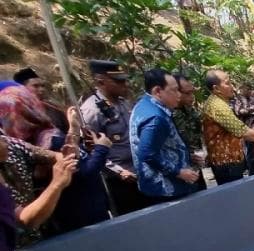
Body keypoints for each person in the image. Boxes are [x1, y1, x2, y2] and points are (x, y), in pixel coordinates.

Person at [80, 59, 148, 215]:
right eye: (119, 81)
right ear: (100, 81)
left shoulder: (124, 103)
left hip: (141, 172)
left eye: (124, 80)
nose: (125, 84)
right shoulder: (92, 111)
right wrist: (119, 171)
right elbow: (92, 150)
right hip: (120, 181)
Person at [130, 69, 199, 203]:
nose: (179, 95)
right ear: (157, 91)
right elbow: (146, 153)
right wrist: (179, 172)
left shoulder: (145, 104)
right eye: (174, 90)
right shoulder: (155, 118)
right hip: (166, 188)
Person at [0, 130, 77, 247]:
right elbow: (25, 221)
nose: (4, 141)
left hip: (33, 241)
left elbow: (56, 156)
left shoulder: (13, 145)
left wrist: (66, 158)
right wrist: (56, 184)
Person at [202, 70, 254, 184]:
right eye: (227, 83)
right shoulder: (217, 106)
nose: (232, 87)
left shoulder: (219, 102)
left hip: (229, 160)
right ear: (216, 88)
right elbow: (242, 131)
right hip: (226, 162)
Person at [51, 108, 112, 233]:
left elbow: (82, 164)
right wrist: (102, 148)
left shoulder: (66, 140)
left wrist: (89, 150)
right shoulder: (54, 141)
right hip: (82, 215)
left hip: (93, 208)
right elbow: (83, 174)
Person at [172, 74, 207, 190]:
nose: (192, 97)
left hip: (196, 166)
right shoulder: (167, 114)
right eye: (187, 93)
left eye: (192, 92)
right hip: (179, 170)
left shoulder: (190, 110)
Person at [12, 67, 68, 134]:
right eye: (36, 86)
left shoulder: (54, 109)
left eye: (43, 86)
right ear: (22, 88)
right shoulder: (14, 110)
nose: (41, 89)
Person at [233, 86, 254, 176]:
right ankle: (252, 173)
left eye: (249, 89)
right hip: (248, 129)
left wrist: (251, 109)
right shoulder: (239, 99)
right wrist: (252, 109)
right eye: (246, 89)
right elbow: (239, 111)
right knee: (251, 153)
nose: (248, 91)